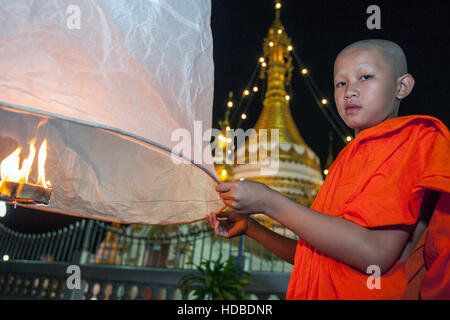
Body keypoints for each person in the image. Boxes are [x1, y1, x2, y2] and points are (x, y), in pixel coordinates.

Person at [206, 39, 450, 299]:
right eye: (340, 83)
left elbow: (374, 254)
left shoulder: (412, 141)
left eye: (365, 77)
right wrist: (252, 228)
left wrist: (268, 201)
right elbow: (317, 258)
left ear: (402, 86)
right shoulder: (345, 160)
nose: (350, 91)